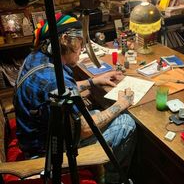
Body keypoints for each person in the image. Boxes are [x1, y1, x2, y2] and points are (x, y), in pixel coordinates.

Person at [13, 12, 136, 184]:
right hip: (46, 152)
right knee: (126, 123)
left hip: (36, 136)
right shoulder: (53, 78)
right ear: (65, 40)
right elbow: (84, 129)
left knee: (96, 110)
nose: (82, 48)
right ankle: (113, 180)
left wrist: (92, 81)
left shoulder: (36, 58)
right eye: (79, 42)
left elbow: (56, 91)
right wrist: (122, 104)